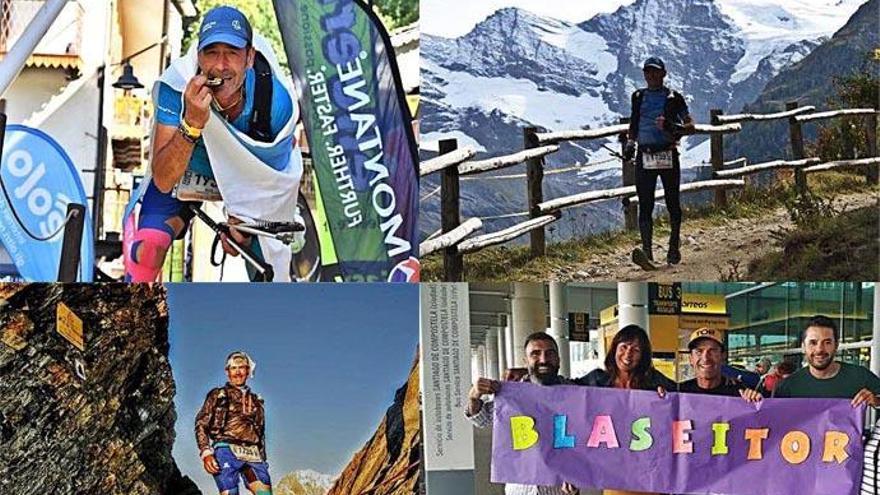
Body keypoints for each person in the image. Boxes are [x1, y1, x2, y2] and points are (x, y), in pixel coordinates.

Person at [125, 5, 300, 282]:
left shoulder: (276, 104)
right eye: (211, 52)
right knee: (147, 249)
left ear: (249, 58)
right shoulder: (177, 87)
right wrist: (191, 123)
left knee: (268, 269)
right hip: (189, 170)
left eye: (232, 53)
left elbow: (273, 185)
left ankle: (269, 321)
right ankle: (131, 321)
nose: (220, 65)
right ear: (198, 56)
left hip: (249, 183)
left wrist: (241, 223)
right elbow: (162, 179)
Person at [466, 332, 580, 495]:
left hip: (561, 488)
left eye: (550, 353)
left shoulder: (577, 394)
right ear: (525, 361)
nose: (543, 359)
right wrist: (474, 395)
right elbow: (481, 419)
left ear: (559, 359)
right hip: (520, 488)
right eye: (535, 354)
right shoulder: (512, 395)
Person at [575, 324, 673, 495]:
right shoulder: (598, 379)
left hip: (650, 476)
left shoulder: (654, 380)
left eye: (635, 349)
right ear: (614, 350)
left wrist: (732, 387)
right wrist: (527, 376)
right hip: (614, 475)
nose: (628, 354)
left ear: (643, 356)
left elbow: (689, 399)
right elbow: (563, 391)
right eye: (624, 347)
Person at [623, 57, 695, 269]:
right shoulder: (638, 96)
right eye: (648, 72)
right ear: (644, 74)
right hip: (644, 156)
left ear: (664, 74)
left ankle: (674, 246)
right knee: (645, 204)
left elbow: (690, 126)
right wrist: (630, 143)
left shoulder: (674, 98)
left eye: (655, 72)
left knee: (673, 202)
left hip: (668, 154)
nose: (651, 76)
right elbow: (634, 123)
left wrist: (672, 126)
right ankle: (647, 253)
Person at [195, 351, 272, 495]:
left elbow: (260, 433)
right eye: (233, 368)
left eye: (242, 367)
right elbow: (201, 423)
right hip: (225, 449)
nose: (238, 372)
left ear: (248, 371)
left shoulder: (257, 402)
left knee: (265, 493)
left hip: (253, 453)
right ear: (227, 371)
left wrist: (263, 459)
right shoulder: (217, 395)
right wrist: (206, 452)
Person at [774, 315, 880, 406]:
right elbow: (771, 421)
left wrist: (876, 401)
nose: (820, 349)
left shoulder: (860, 376)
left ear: (836, 345)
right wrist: (757, 403)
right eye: (813, 342)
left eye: (827, 342)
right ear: (803, 347)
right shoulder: (787, 387)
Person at [677, 327, 762, 402]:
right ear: (691, 359)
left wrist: (756, 402)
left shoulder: (740, 394)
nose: (705, 358)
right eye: (699, 351)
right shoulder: (679, 393)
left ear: (723, 356)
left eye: (712, 351)